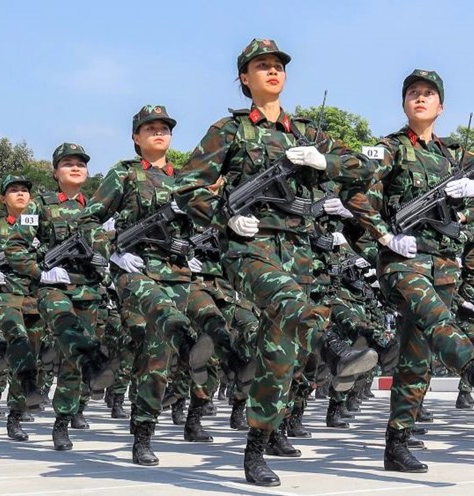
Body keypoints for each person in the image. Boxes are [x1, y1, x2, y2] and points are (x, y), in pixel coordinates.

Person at [174, 38, 378, 487]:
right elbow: (188, 188)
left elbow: (362, 167)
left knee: (280, 355)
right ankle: (337, 350)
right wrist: (226, 217)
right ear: (244, 79)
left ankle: (256, 448)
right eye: (260, 66)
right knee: (291, 306)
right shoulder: (228, 132)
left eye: (277, 66)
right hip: (250, 247)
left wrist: (324, 161)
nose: (271, 71)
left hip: (300, 250)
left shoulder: (305, 132)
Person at [349, 68, 474, 473]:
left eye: (428, 93)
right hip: (403, 260)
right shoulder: (389, 149)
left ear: (441, 106)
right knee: (437, 317)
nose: (420, 98)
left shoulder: (453, 157)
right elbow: (357, 192)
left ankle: (397, 442)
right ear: (404, 103)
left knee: (417, 353)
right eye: (413, 93)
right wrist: (383, 235)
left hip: (443, 264)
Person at [83, 106, 216, 466]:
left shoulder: (186, 179)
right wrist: (112, 251)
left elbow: (206, 223)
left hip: (178, 272)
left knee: (182, 343)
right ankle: (142, 436)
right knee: (162, 335)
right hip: (136, 271)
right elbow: (89, 219)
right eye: (150, 128)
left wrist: (195, 249)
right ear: (136, 137)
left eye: (164, 128)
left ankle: (198, 370)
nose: (159, 133)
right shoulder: (123, 175)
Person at [6, 143, 116, 451]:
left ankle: (62, 423)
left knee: (70, 362)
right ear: (55, 172)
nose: (76, 167)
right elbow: (16, 247)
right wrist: (40, 272)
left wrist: (102, 256)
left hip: (89, 290)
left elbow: (110, 244)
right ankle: (94, 362)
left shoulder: (97, 207)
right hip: (54, 287)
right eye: (68, 163)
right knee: (64, 325)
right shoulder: (39, 205)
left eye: (81, 163)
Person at [0, 175, 44, 441]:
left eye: (25, 190)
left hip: (33, 298)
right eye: (14, 191)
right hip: (2, 296)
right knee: (14, 347)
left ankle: (15, 415)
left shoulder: (40, 226)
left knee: (29, 358)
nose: (21, 194)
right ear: (3, 198)